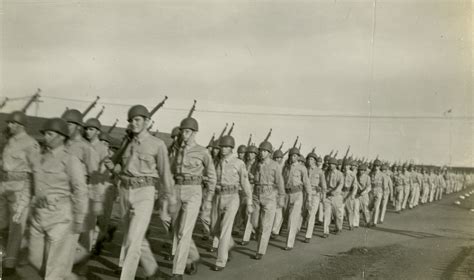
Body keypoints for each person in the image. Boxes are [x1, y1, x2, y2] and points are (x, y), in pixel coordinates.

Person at [111, 105, 176, 279]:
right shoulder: (127, 142)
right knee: (132, 236)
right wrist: (114, 167)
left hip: (144, 192)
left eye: (137, 119)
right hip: (125, 190)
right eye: (131, 120)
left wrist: (170, 198)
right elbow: (122, 168)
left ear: (147, 121)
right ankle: (152, 271)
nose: (134, 123)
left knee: (133, 239)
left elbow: (165, 173)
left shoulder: (157, 144)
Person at [28, 118, 88, 279]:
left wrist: (79, 218)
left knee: (53, 268)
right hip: (39, 215)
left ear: (61, 136)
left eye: (50, 134)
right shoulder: (41, 157)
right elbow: (33, 184)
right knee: (34, 258)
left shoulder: (70, 159)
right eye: (45, 134)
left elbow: (80, 190)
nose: (46, 137)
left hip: (60, 216)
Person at [170, 116, 216, 279]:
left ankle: (177, 271)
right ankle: (194, 256)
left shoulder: (203, 152)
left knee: (184, 231)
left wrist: (208, 199)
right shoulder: (177, 150)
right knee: (172, 227)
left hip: (194, 190)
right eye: (182, 132)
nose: (184, 135)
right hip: (176, 189)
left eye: (188, 132)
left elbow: (211, 176)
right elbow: (169, 171)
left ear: (195, 133)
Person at [0, 111, 40, 276]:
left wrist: (33, 193)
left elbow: (35, 170)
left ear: (19, 125)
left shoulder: (31, 144)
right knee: (2, 225)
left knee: (16, 228)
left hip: (20, 189)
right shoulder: (10, 141)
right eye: (9, 123)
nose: (8, 126)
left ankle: (9, 264)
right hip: (4, 187)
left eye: (11, 123)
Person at [211, 135, 253, 271]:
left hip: (232, 197)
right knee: (213, 228)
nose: (223, 149)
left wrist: (249, 201)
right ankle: (229, 244)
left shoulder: (238, 163)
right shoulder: (216, 162)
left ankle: (220, 261)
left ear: (231, 148)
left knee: (225, 228)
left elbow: (245, 183)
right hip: (218, 196)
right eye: (222, 147)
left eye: (226, 147)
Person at [248, 140, 285, 260]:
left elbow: (280, 183)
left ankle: (260, 250)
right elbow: (252, 176)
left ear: (269, 153)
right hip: (256, 195)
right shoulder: (256, 164)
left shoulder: (275, 165)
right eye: (261, 151)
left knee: (266, 225)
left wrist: (281, 198)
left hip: (270, 196)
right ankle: (258, 233)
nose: (262, 153)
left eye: (265, 151)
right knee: (254, 223)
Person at [281, 147, 311, 250]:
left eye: (295, 156)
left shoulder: (302, 168)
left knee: (292, 219)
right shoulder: (286, 167)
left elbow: (306, 183)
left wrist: (309, 197)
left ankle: (289, 243)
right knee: (284, 217)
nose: (293, 158)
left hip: (297, 194)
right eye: (291, 156)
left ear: (298, 157)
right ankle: (293, 231)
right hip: (286, 194)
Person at [304, 151, 326, 242]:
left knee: (312, 214)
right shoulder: (304, 169)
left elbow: (323, 185)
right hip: (304, 194)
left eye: (312, 159)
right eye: (309, 158)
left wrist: (322, 195)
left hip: (315, 194)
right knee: (304, 214)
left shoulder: (319, 171)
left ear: (315, 161)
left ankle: (308, 235)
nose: (310, 160)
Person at [323, 157, 344, 236]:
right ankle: (326, 231)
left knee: (337, 214)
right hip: (328, 196)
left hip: (336, 196)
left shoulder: (339, 174)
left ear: (335, 165)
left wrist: (335, 191)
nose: (331, 165)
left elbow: (341, 184)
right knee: (327, 214)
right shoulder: (325, 173)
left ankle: (338, 228)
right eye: (330, 164)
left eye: (333, 164)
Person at [341, 159, 358, 230]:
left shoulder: (352, 174)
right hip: (341, 192)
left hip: (348, 193)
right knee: (340, 210)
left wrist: (352, 195)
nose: (346, 167)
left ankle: (350, 224)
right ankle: (339, 226)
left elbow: (355, 186)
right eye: (345, 165)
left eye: (347, 165)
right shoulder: (340, 174)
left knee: (349, 210)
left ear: (349, 166)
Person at [355, 163, 371, 228]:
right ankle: (356, 223)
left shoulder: (367, 177)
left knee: (365, 209)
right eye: (360, 170)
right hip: (357, 195)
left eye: (362, 170)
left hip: (364, 195)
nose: (361, 171)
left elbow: (369, 187)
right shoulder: (356, 176)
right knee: (356, 209)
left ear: (365, 171)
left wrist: (364, 192)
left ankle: (367, 221)